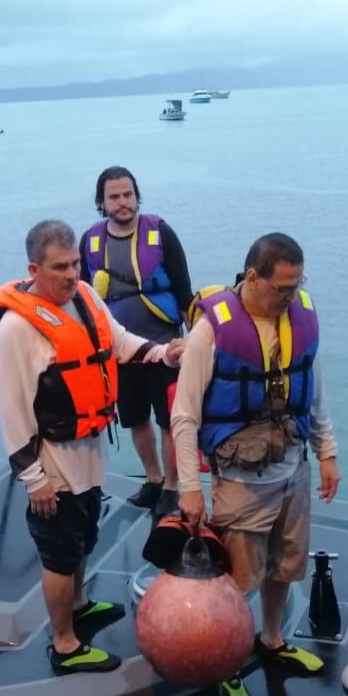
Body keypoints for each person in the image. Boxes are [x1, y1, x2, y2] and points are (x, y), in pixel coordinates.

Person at [0, 220, 185, 675]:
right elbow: (10, 409)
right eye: (59, 268)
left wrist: (162, 353)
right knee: (58, 553)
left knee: (83, 537)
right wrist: (33, 479)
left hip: (90, 448)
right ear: (33, 268)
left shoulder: (85, 298)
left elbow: (117, 342)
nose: (71, 274)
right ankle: (65, 643)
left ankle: (79, 603)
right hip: (52, 461)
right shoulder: (18, 328)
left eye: (76, 263)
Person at [173, 232, 340, 696]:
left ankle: (272, 639)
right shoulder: (213, 330)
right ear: (253, 277)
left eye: (296, 285)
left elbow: (315, 389)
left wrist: (327, 452)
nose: (290, 297)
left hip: (293, 469)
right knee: (238, 581)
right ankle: (227, 666)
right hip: (241, 481)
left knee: (286, 566)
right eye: (282, 288)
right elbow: (184, 415)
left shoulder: (301, 319)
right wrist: (189, 488)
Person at [80, 167, 193, 516]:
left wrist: (196, 348)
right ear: (102, 202)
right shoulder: (90, 241)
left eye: (128, 194)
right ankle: (154, 480)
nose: (123, 202)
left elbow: (185, 291)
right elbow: (82, 299)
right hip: (120, 355)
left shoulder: (161, 233)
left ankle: (173, 487)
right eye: (114, 196)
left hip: (166, 349)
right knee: (135, 420)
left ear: (136, 196)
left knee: (170, 421)